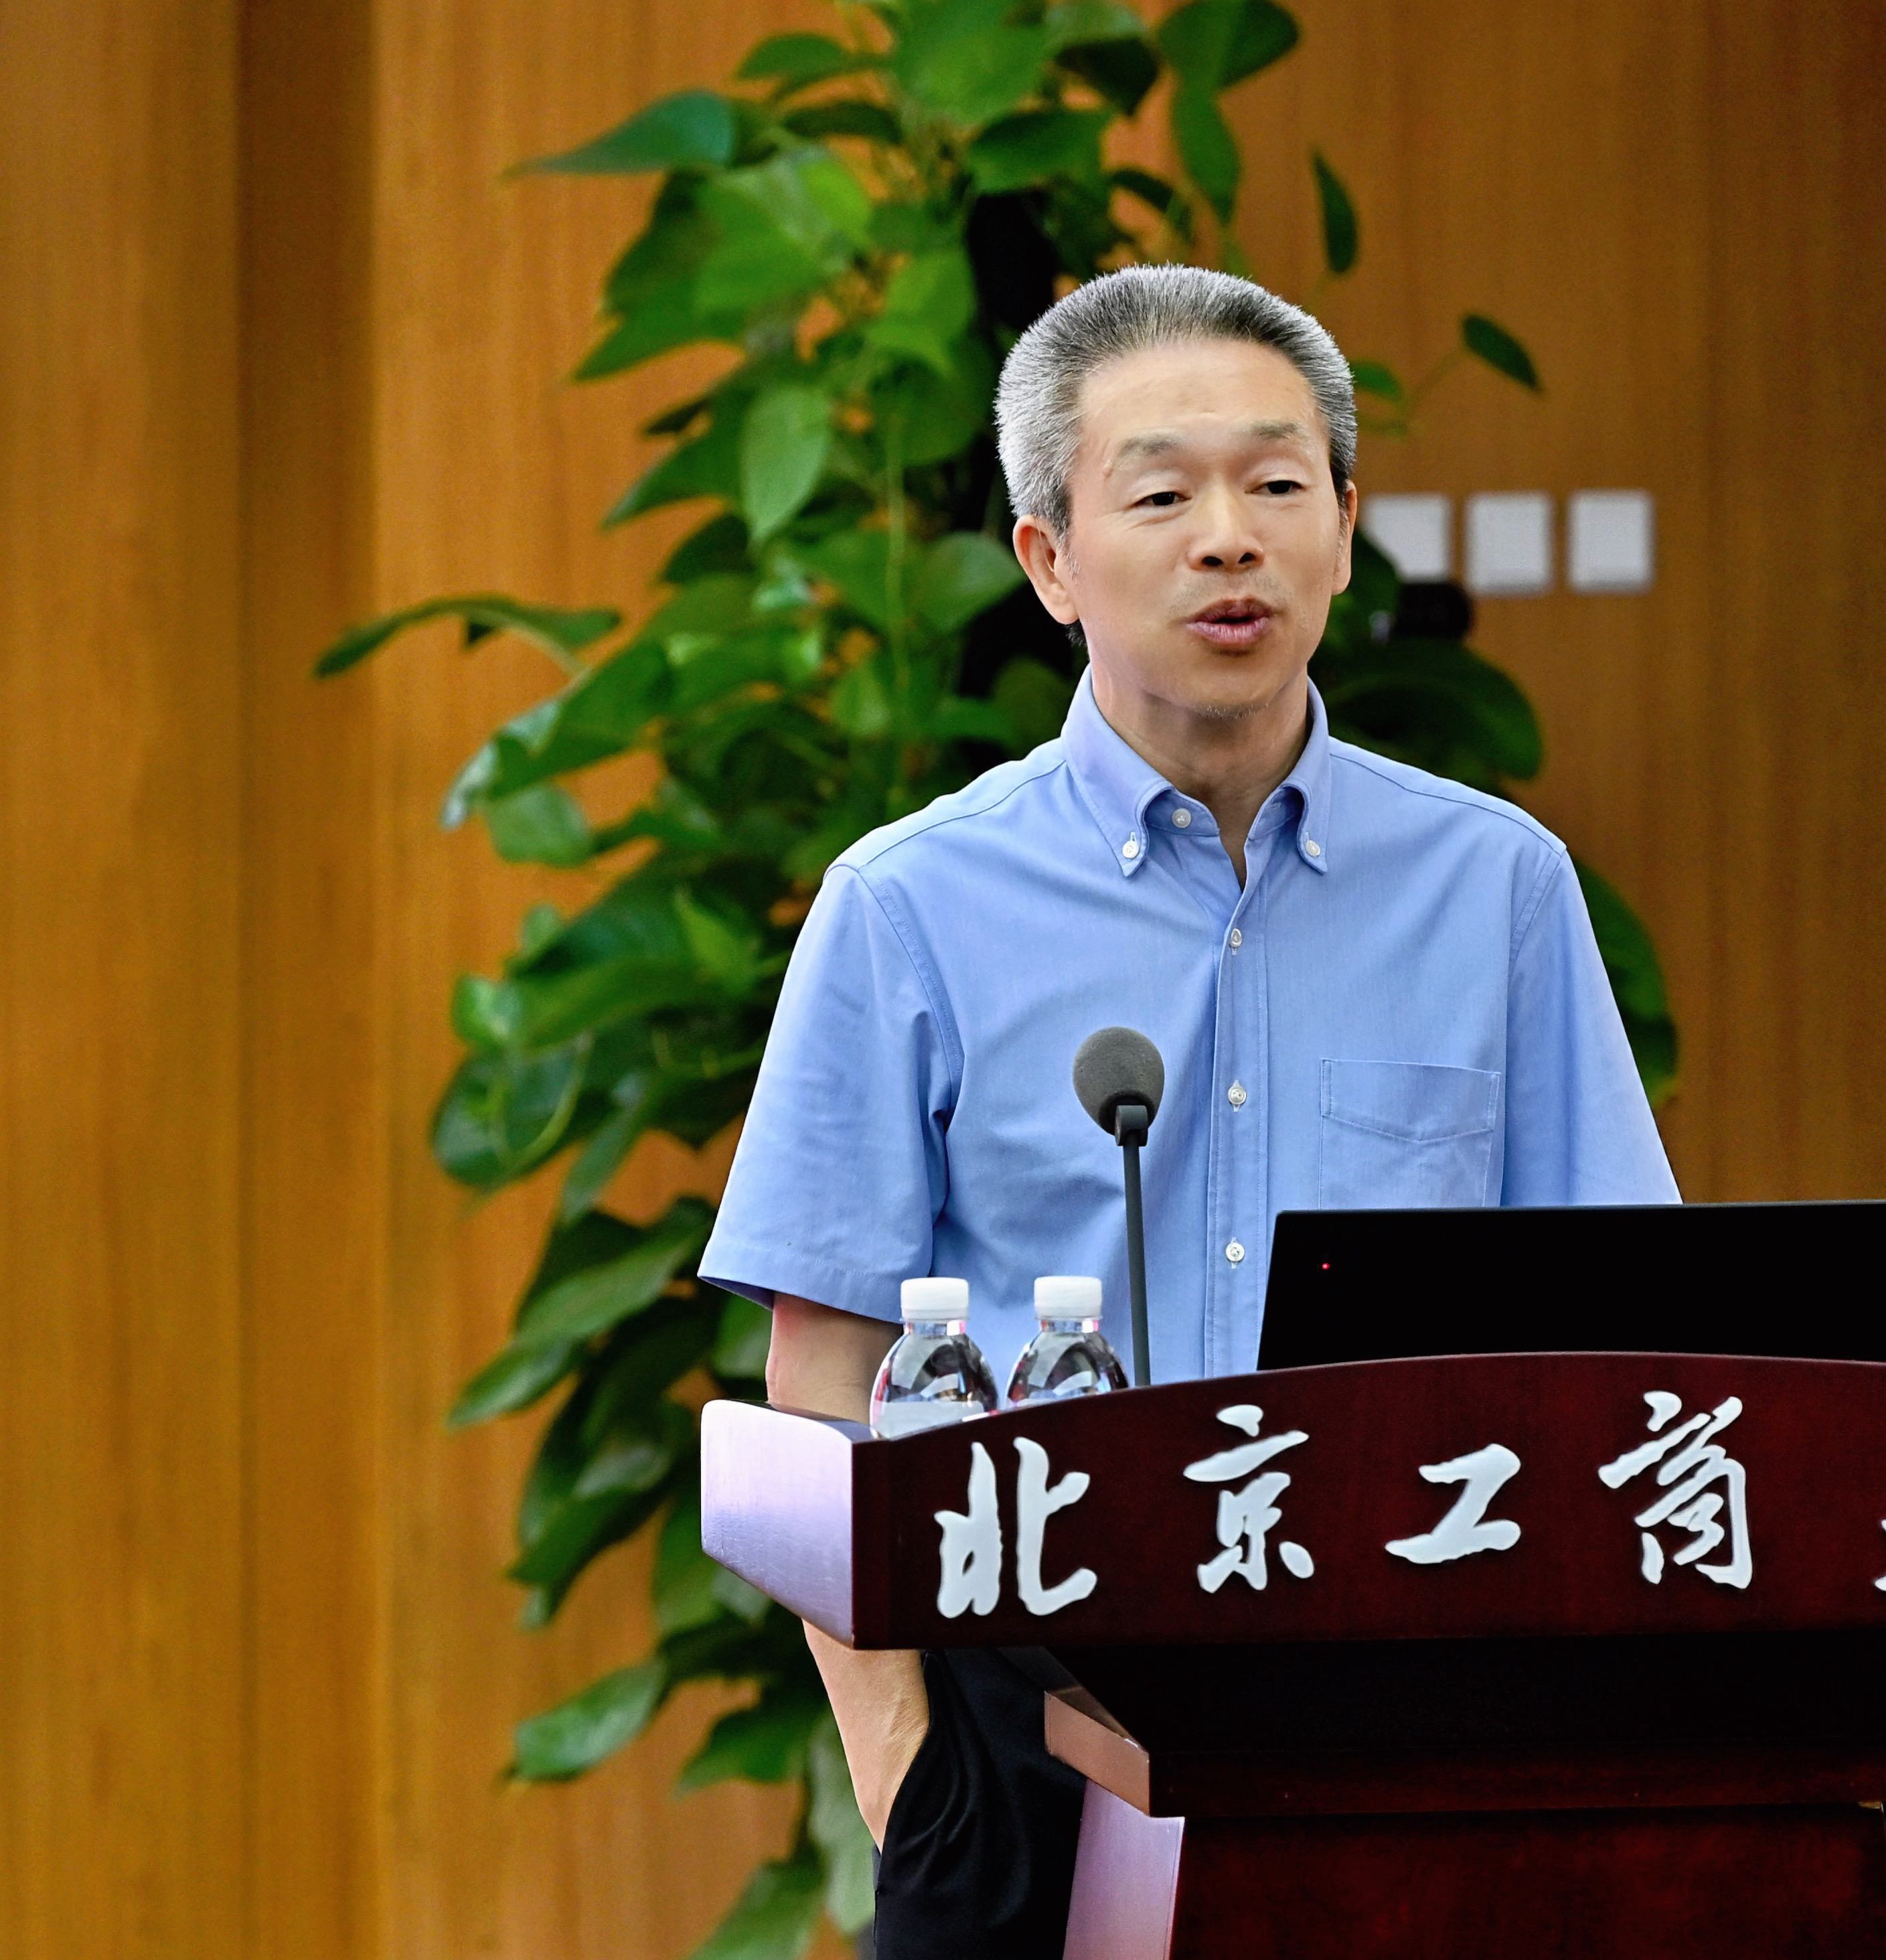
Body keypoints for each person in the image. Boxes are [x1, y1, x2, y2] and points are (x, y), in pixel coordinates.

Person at [699, 265, 1676, 1958]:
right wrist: (913, 1781)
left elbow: (1617, 1335)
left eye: (1278, 485)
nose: (1230, 540)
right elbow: (824, 1383)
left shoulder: (1497, 889)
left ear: (1344, 531)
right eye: (1160, 496)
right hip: (1024, 1723)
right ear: (1049, 560)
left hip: (1403, 1713)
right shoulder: (907, 906)